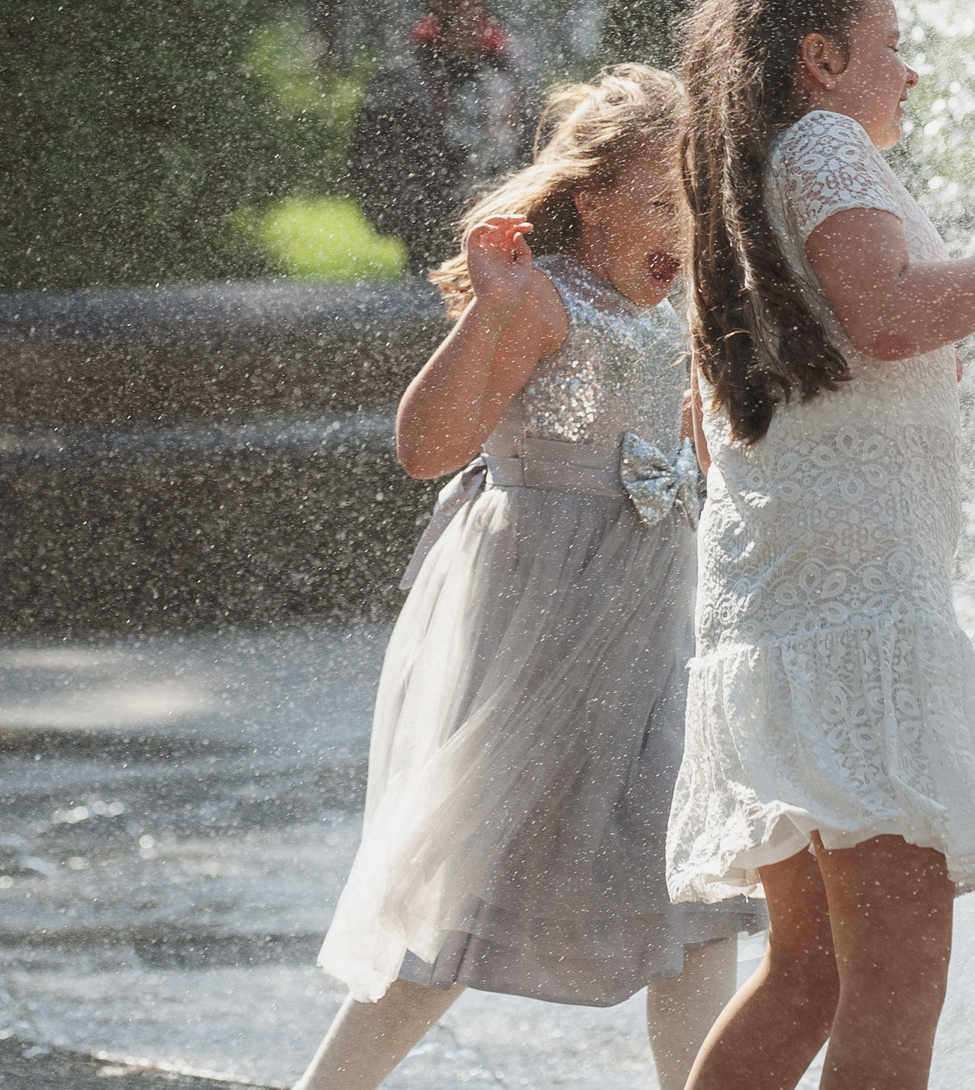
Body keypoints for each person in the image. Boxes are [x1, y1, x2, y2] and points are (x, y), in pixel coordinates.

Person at [668, 0, 975, 1090]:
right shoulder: (824, 144)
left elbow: (725, 412)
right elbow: (884, 316)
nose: (911, 72)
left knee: (810, 972)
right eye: (889, 45)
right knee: (895, 974)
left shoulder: (748, 176)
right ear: (819, 60)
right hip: (858, 617)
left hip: (782, 612)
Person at [304, 66, 763, 1090]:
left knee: (692, 876)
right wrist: (492, 311)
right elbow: (425, 449)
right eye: (657, 203)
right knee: (468, 887)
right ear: (589, 199)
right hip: (542, 626)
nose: (680, 232)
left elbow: (711, 452)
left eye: (696, 204)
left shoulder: (672, 311)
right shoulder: (546, 302)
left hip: (649, 630)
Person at [346, 0, 540, 273]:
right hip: (433, 240)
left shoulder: (516, 67)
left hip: (511, 233)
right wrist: (408, 222)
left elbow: (541, 144)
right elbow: (368, 158)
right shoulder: (402, 73)